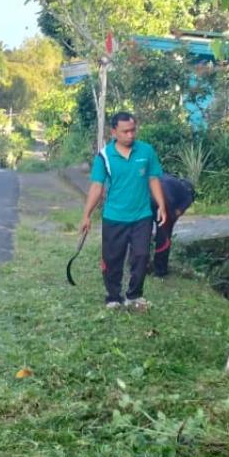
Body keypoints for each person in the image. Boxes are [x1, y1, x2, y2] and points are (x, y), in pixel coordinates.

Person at [79, 112, 168, 310]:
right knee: (112, 259)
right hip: (114, 217)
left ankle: (134, 295)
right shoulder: (104, 156)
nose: (130, 135)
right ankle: (113, 296)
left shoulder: (146, 151)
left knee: (141, 256)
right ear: (113, 132)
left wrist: (161, 205)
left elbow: (153, 179)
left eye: (133, 130)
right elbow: (97, 187)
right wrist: (86, 215)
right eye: (125, 131)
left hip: (142, 216)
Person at [151, 174, 196, 278]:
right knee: (164, 239)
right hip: (165, 199)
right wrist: (167, 228)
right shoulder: (187, 195)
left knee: (142, 233)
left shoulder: (170, 179)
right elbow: (176, 213)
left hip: (147, 195)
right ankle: (160, 271)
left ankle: (138, 264)